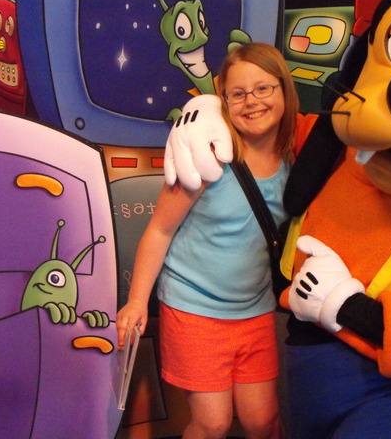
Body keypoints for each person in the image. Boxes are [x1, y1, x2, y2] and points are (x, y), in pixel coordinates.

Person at [116, 42, 299, 439]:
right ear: (223, 99)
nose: (252, 101)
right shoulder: (207, 155)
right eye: (238, 93)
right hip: (194, 308)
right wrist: (136, 301)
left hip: (254, 309)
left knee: (263, 422)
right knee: (212, 423)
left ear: (283, 89)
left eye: (263, 88)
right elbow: (159, 230)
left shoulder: (293, 157)